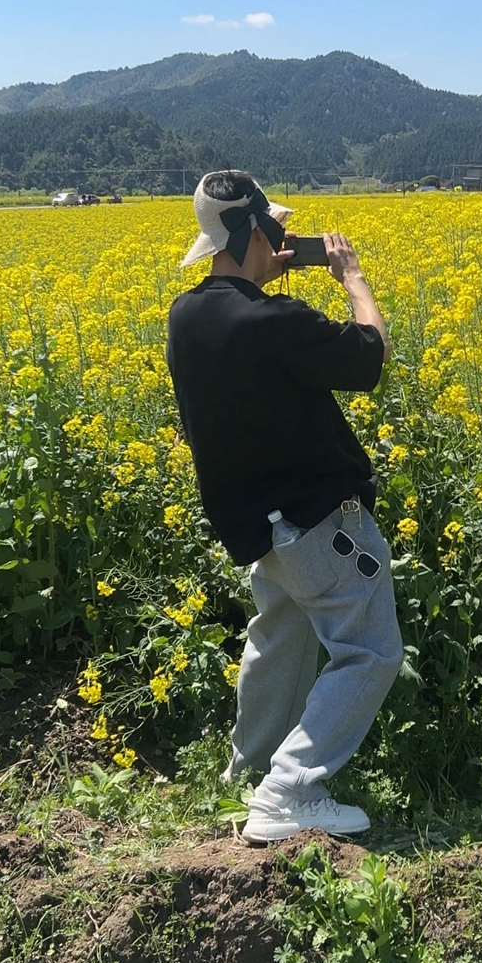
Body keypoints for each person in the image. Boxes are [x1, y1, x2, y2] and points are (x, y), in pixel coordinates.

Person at [165, 170, 403, 843]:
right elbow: (369, 357)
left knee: (281, 641)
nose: (284, 245)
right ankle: (288, 790)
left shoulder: (187, 315)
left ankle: (247, 771)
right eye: (276, 232)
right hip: (321, 522)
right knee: (371, 652)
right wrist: (351, 277)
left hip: (261, 527)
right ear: (251, 235)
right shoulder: (276, 321)